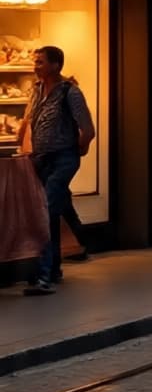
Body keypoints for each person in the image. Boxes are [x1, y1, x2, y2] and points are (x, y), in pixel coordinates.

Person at [22, 45, 95, 295]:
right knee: (52, 212)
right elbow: (30, 120)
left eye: (41, 62)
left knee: (44, 211)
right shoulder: (37, 90)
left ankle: (43, 276)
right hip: (41, 160)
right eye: (36, 61)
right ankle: (53, 268)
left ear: (55, 65)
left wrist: (77, 151)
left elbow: (88, 129)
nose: (36, 66)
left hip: (63, 159)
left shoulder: (70, 93)